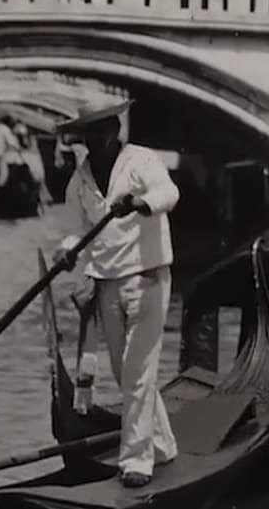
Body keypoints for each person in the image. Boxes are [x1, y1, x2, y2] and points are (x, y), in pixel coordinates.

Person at [54, 99, 179, 488]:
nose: (95, 140)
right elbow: (76, 230)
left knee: (139, 371)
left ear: (116, 130)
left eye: (101, 131)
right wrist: (66, 249)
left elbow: (168, 193)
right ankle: (162, 444)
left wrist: (140, 203)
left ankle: (137, 459)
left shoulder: (141, 161)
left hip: (147, 277)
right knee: (126, 372)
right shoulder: (80, 181)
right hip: (107, 280)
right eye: (89, 133)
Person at [0, 115, 22, 187]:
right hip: (0, 154)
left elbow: (11, 141)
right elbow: (10, 141)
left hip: (1, 154)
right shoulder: (1, 129)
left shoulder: (1, 129)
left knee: (1, 173)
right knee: (1, 173)